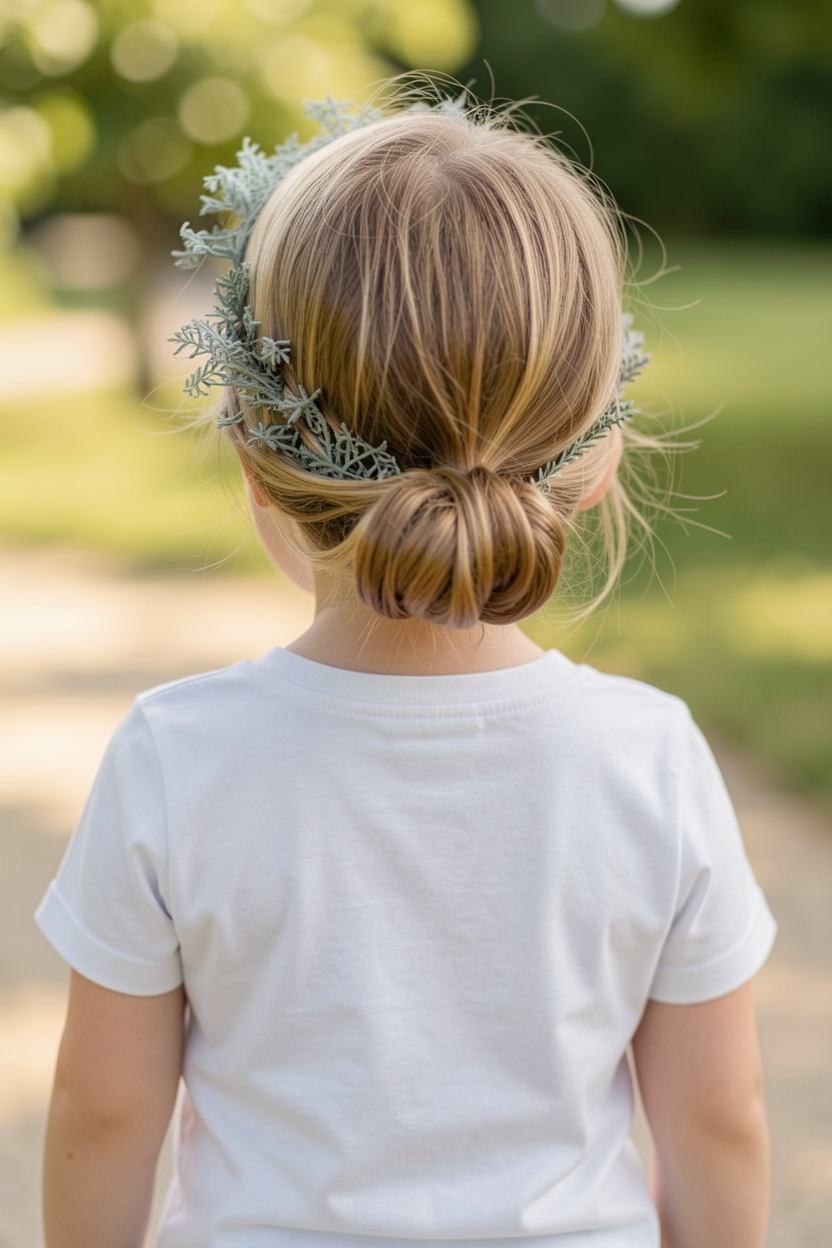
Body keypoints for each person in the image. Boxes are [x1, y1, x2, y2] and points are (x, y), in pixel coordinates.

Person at [37, 94, 775, 1248]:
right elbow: (717, 1120)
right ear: (595, 455)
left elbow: (107, 1105)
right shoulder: (650, 758)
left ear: (255, 451)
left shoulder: (177, 757)